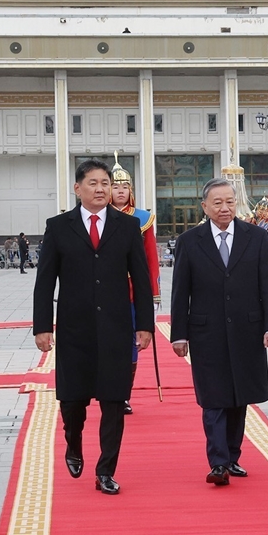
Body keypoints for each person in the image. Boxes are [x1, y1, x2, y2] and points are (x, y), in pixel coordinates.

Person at [33, 159, 154, 496]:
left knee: (114, 402)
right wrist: (42, 326)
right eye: (93, 183)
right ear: (77, 188)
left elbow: (141, 281)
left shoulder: (127, 227)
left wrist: (144, 324)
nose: (101, 189)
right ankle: (73, 443)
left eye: (105, 183)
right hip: (75, 330)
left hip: (116, 329)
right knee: (72, 402)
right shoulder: (58, 227)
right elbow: (44, 282)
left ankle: (106, 471)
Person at [170, 177, 268, 486]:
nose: (224, 208)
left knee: (239, 397)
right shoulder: (190, 242)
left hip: (247, 330)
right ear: (204, 206)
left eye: (230, 202)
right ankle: (218, 462)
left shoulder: (257, 238)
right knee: (214, 398)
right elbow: (181, 292)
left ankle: (233, 456)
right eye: (217, 203)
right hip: (207, 332)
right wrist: (179, 334)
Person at [109, 155, 161, 415]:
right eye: (116, 187)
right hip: (106, 291)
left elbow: (151, 257)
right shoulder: (99, 216)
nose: (120, 191)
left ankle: (124, 394)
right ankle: (109, 390)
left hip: (131, 290)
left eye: (124, 187)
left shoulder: (143, 218)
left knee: (132, 342)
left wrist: (153, 292)